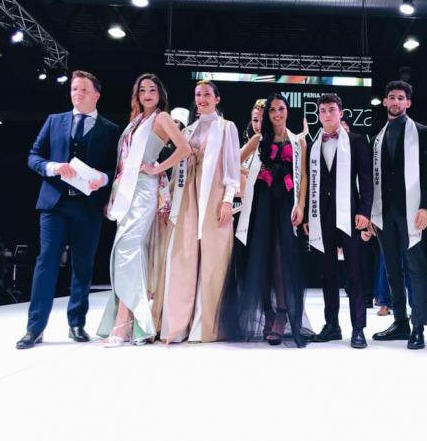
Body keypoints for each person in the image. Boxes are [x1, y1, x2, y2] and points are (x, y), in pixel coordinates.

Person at [17, 70, 120, 349]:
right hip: (55, 204)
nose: (77, 94)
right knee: (46, 262)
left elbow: (117, 168)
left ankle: (77, 323)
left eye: (84, 89)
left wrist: (104, 178)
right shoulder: (55, 121)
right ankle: (34, 328)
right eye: (74, 89)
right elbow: (33, 156)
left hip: (88, 206)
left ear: (97, 94)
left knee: (82, 265)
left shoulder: (110, 129)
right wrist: (52, 167)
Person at [96, 73, 190, 346]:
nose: (147, 94)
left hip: (144, 193)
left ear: (160, 94)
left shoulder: (162, 118)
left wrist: (157, 168)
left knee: (127, 251)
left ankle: (123, 323)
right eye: (142, 90)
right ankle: (135, 323)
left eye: (152, 90)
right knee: (126, 254)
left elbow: (184, 149)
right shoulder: (135, 121)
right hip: (126, 192)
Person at [156, 80, 240, 344]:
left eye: (207, 94)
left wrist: (227, 200)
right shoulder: (188, 130)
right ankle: (180, 325)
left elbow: (232, 167)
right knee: (185, 257)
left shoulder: (226, 127)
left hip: (214, 197)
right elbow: (178, 169)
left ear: (217, 98)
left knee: (214, 260)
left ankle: (207, 326)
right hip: (188, 198)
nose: (202, 99)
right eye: (198, 94)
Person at [225, 93, 308, 347]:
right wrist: (250, 171)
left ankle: (282, 314)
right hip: (261, 203)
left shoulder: (298, 142)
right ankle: (268, 314)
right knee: (260, 257)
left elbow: (304, 176)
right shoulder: (259, 139)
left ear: (287, 111)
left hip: (286, 205)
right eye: (272, 110)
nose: (277, 114)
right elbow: (233, 161)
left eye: (281, 109)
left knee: (281, 258)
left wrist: (301, 205)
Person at [303, 93, 373, 348]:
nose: (327, 114)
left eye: (332, 109)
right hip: (320, 216)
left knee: (355, 273)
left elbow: (366, 179)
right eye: (323, 110)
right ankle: (332, 325)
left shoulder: (356, 140)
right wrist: (308, 215)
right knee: (327, 273)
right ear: (319, 115)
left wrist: (365, 211)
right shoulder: (313, 145)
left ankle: (358, 328)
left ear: (340, 113)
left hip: (350, 215)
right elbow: (309, 182)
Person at [370, 80, 427, 350]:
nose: (395, 102)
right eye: (391, 97)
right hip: (385, 212)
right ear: (385, 101)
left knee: (415, 268)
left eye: (400, 98)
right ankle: (400, 322)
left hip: (412, 210)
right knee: (391, 271)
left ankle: (418, 326)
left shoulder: (422, 132)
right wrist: (371, 214)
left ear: (408, 102)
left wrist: (426, 207)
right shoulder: (377, 137)